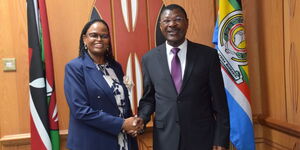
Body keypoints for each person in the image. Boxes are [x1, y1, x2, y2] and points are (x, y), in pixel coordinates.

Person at [137, 4, 230, 150]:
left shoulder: (208, 56)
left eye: (177, 19)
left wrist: (221, 139)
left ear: (187, 23)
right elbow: (149, 98)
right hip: (165, 139)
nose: (172, 24)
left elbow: (220, 104)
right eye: (166, 21)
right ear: (161, 26)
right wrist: (141, 118)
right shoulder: (149, 59)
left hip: (201, 138)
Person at [64, 19, 141, 150]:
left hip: (123, 141)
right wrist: (122, 124)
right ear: (84, 39)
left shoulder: (115, 67)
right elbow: (80, 110)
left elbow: (121, 103)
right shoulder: (75, 67)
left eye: (104, 36)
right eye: (94, 35)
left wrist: (133, 124)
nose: (99, 39)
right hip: (93, 142)